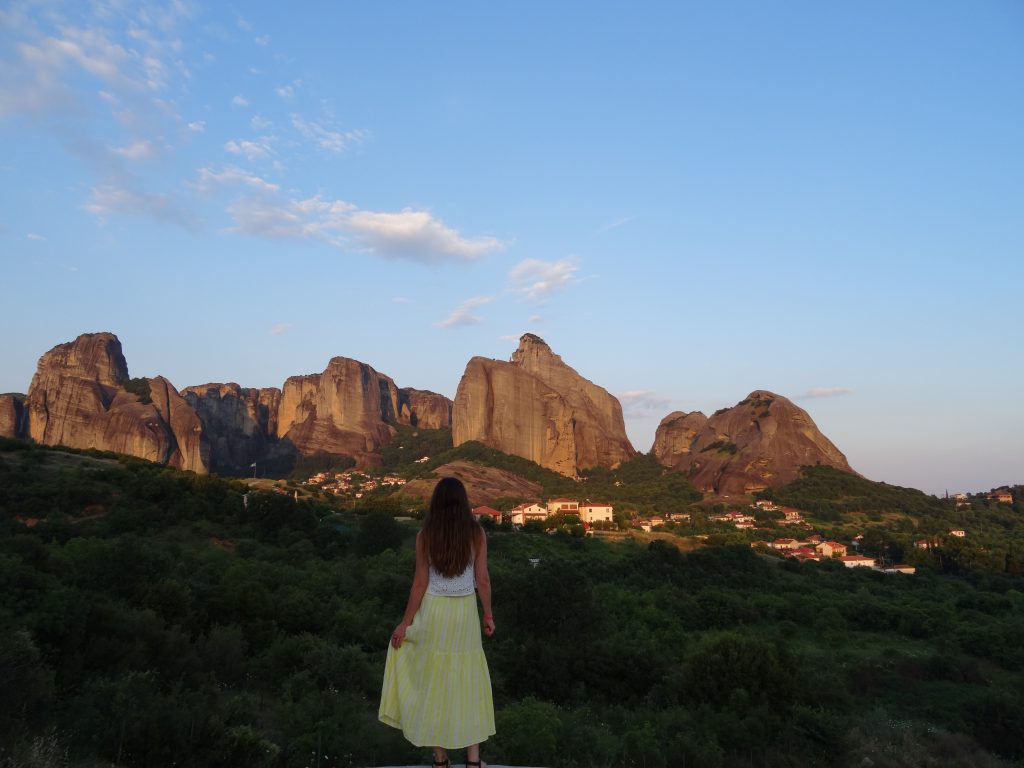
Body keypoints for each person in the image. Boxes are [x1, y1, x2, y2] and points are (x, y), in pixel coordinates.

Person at [379, 477, 496, 768]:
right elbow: (482, 579)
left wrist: (405, 623)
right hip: (464, 615)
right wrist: (489, 614)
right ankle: (473, 761)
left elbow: (419, 583)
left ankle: (440, 761)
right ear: (463, 501)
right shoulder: (476, 533)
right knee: (467, 680)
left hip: (433, 612)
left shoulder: (425, 534)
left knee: (432, 680)